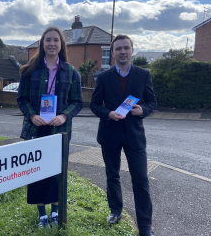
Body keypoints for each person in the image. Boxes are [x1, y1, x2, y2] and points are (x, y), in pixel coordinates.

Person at [90, 34, 156, 236]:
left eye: (126, 48)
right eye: (118, 49)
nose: (123, 52)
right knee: (112, 175)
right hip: (110, 133)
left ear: (132, 50)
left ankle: (145, 226)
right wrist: (108, 113)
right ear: (113, 52)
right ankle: (116, 210)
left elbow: (152, 102)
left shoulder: (143, 75)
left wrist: (142, 110)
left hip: (134, 136)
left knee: (141, 179)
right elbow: (94, 104)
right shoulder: (103, 77)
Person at [17, 26, 83, 228]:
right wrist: (32, 115)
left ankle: (55, 212)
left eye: (56, 40)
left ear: (61, 44)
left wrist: (64, 115)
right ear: (42, 44)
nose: (52, 44)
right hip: (36, 129)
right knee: (36, 173)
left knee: (56, 172)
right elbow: (22, 98)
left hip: (59, 131)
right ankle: (41, 214)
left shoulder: (72, 73)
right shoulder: (29, 70)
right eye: (48, 40)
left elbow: (77, 102)